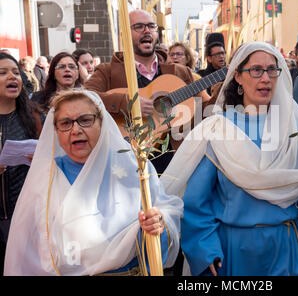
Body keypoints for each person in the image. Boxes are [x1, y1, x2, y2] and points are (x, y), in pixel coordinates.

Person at [160, 41, 298, 276]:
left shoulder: (294, 129)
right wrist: (205, 249)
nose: (265, 78)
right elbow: (196, 203)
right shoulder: (218, 130)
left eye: (272, 70)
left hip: (285, 247)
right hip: (236, 250)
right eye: (256, 70)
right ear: (238, 77)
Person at [4, 89, 182, 275]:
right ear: (56, 130)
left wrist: (158, 220)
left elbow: (166, 207)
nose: (76, 130)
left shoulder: (132, 165)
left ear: (102, 122)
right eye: (65, 123)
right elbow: (28, 248)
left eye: (86, 120)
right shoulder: (45, 179)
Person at [84, 9, 210, 175]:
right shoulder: (107, 71)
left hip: (175, 163)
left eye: (151, 26)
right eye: (139, 26)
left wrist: (224, 88)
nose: (146, 31)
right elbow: (85, 97)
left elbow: (207, 109)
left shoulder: (181, 72)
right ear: (125, 35)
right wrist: (128, 103)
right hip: (126, 163)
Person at [0, 52, 42, 275]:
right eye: (3, 73)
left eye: (16, 72)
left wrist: (42, 161)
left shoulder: (35, 117)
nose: (12, 77)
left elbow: (61, 159)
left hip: (28, 219)